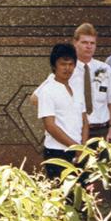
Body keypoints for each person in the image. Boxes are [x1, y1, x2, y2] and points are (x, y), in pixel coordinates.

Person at [33, 23, 111, 144]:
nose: (89, 46)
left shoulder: (104, 69)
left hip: (102, 131)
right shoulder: (66, 69)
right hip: (76, 132)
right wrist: (63, 115)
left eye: (92, 43)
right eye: (84, 42)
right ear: (75, 43)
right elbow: (35, 98)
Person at [38, 44, 88, 179]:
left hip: (79, 152)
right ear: (54, 66)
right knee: (59, 197)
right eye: (63, 64)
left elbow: (84, 120)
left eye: (71, 64)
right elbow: (50, 126)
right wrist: (75, 147)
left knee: (81, 197)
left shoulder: (77, 88)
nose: (67, 68)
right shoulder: (47, 90)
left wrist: (82, 147)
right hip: (57, 153)